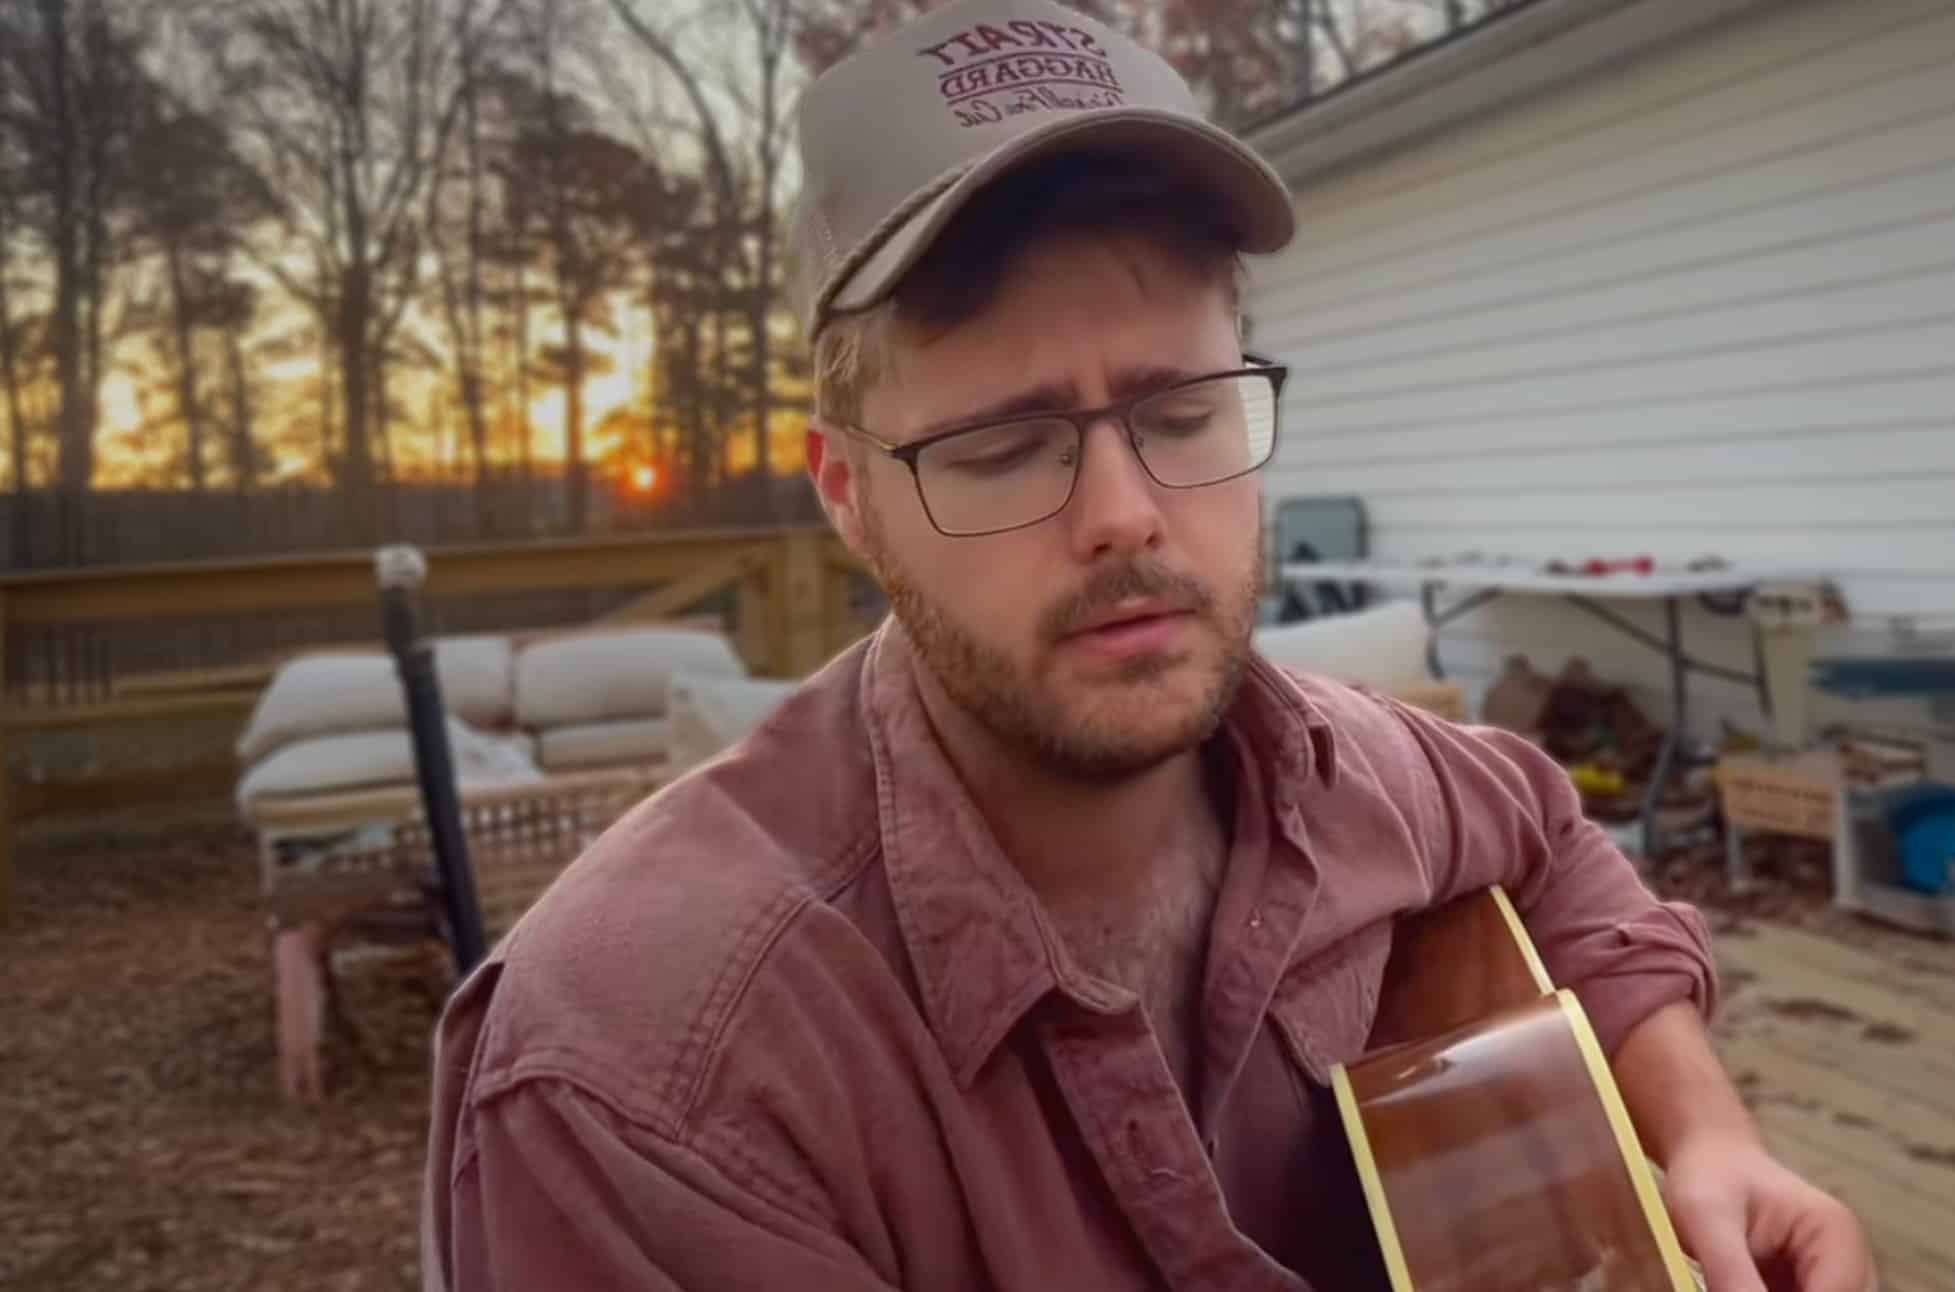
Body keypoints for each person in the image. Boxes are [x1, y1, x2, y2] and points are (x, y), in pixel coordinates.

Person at [419, 1, 1876, 1288]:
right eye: (1003, 444)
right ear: (849, 494)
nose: (1124, 516)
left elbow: (1554, 848)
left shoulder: (1348, 766)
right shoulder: (642, 1082)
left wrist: (1704, 1135)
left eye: (1179, 415)